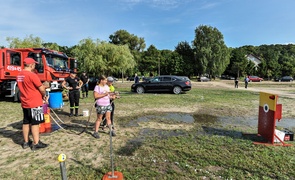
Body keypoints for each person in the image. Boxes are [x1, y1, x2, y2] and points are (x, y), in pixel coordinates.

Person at [16, 57, 48, 151]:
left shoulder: (19, 75)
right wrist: (44, 95)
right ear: (30, 65)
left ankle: (26, 142)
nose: (35, 65)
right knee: (35, 123)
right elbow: (41, 88)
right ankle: (36, 143)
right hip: (34, 102)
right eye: (34, 64)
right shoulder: (32, 75)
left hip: (25, 102)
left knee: (26, 122)